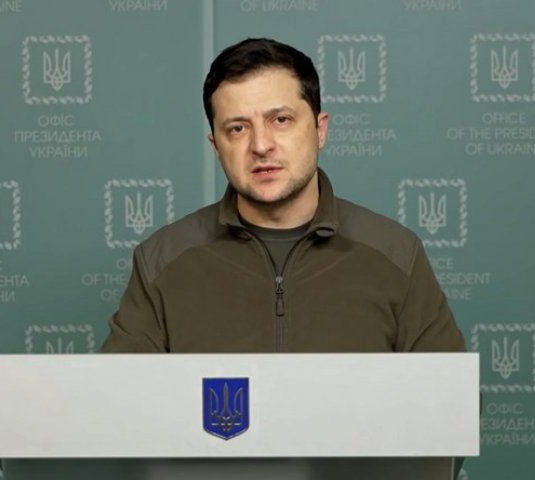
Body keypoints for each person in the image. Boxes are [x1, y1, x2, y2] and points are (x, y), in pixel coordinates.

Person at [100, 38, 464, 354]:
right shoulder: (161, 260)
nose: (261, 145)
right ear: (215, 146)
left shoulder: (396, 254)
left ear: (320, 130)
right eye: (237, 128)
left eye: (281, 120)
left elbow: (453, 400)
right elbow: (118, 400)